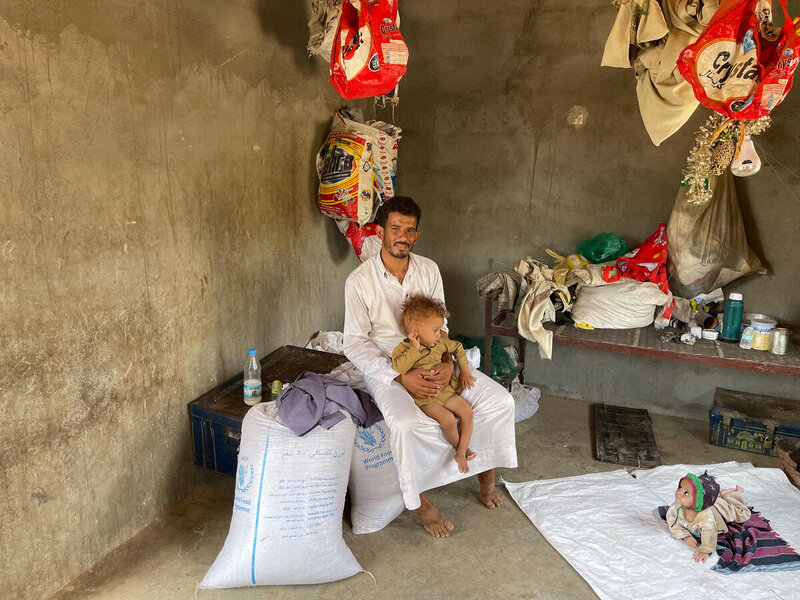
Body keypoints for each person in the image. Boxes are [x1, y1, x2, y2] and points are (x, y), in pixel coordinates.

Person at [343, 196, 517, 538]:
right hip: (389, 368)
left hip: (438, 360)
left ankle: (484, 476)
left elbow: (443, 328)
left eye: (409, 230)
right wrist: (401, 377)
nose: (402, 236)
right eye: (395, 228)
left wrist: (449, 362)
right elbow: (354, 342)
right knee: (406, 425)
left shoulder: (429, 270)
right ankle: (422, 504)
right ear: (380, 232)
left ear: (416, 235)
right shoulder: (359, 281)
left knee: (500, 402)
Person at [392, 293, 477, 473]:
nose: (440, 334)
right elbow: (400, 367)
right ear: (415, 331)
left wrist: (464, 370)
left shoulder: (440, 344)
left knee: (467, 412)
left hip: (443, 390)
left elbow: (458, 348)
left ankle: (461, 451)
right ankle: (460, 449)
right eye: (435, 330)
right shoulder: (403, 349)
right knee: (448, 419)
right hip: (425, 397)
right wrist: (415, 349)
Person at [665, 471, 751, 563]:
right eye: (680, 487)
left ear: (697, 501)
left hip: (719, 508)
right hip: (705, 501)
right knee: (710, 498)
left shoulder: (706, 518)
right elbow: (672, 521)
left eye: (686, 493)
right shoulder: (676, 508)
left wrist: (705, 551)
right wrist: (685, 536)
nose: (679, 492)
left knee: (743, 514)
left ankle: (733, 494)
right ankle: (719, 495)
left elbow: (710, 535)